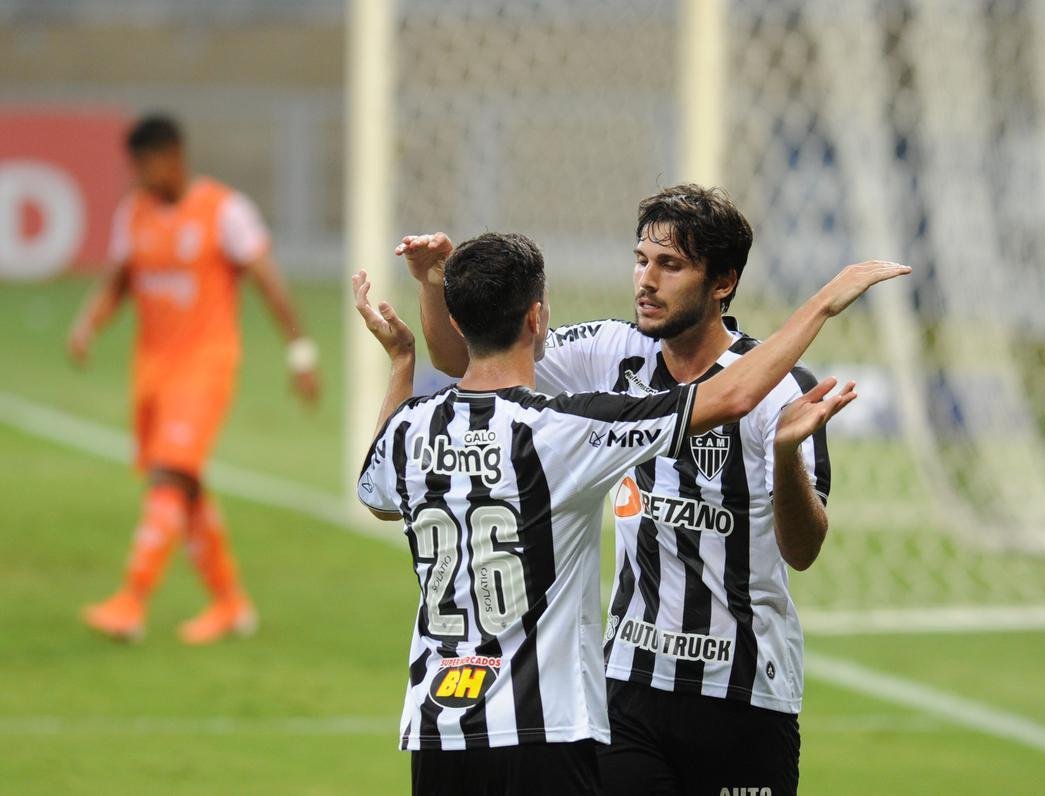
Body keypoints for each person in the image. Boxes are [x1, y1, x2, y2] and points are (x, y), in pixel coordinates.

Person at [354, 230, 907, 794]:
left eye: (665, 263)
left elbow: (375, 494)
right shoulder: (565, 429)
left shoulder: (411, 428)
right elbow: (731, 398)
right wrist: (823, 303)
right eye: (642, 261)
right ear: (536, 318)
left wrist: (403, 358)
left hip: (437, 726)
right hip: (544, 727)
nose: (645, 278)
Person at [67, 114, 321, 644]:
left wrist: (299, 352)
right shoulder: (132, 212)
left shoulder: (225, 210)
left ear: (174, 155)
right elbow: (119, 280)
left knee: (169, 476)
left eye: (145, 163)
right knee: (185, 485)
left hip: (205, 366)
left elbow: (268, 281)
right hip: (152, 372)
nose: (137, 176)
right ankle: (230, 604)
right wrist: (88, 324)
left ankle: (131, 601)